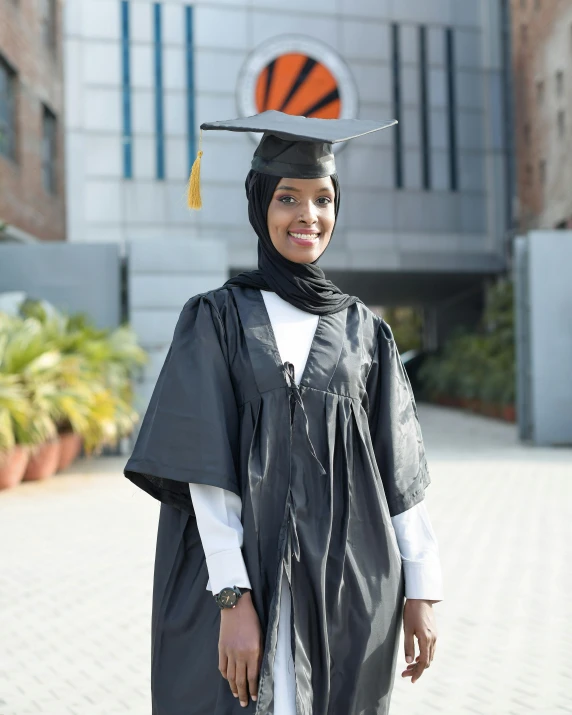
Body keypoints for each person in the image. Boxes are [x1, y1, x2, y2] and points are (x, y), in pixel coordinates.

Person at [125, 110, 443, 715]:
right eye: (288, 198)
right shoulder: (214, 318)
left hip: (347, 581)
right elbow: (203, 470)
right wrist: (232, 597)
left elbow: (400, 470)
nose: (308, 216)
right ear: (258, 205)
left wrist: (422, 589)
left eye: (322, 199)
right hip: (242, 583)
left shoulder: (365, 330)